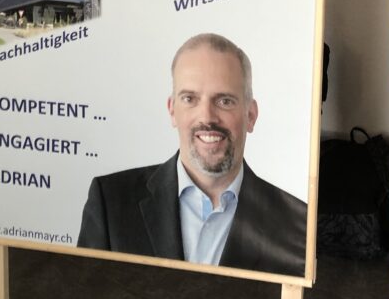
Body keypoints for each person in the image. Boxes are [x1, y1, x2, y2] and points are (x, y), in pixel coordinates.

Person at [77, 33, 308, 275]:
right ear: (172, 111)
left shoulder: (297, 225)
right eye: (190, 99)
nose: (206, 117)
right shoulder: (110, 202)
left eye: (225, 101)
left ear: (250, 115)